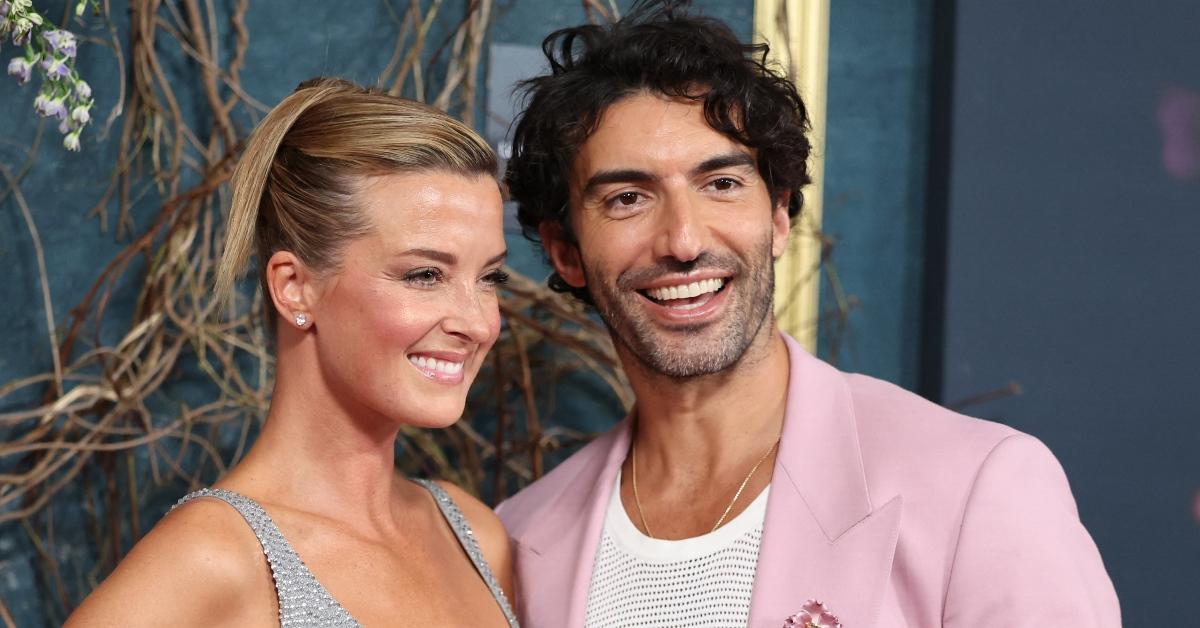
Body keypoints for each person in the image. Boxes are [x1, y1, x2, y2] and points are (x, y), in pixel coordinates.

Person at [494, 2, 1120, 627]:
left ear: (778, 216)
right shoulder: (518, 541)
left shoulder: (981, 486)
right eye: (628, 199)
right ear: (565, 251)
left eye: (722, 184)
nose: (683, 241)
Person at [67, 78, 518, 627]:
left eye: (489, 277)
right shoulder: (210, 563)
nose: (477, 323)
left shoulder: (475, 535)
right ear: (294, 287)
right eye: (425, 275)